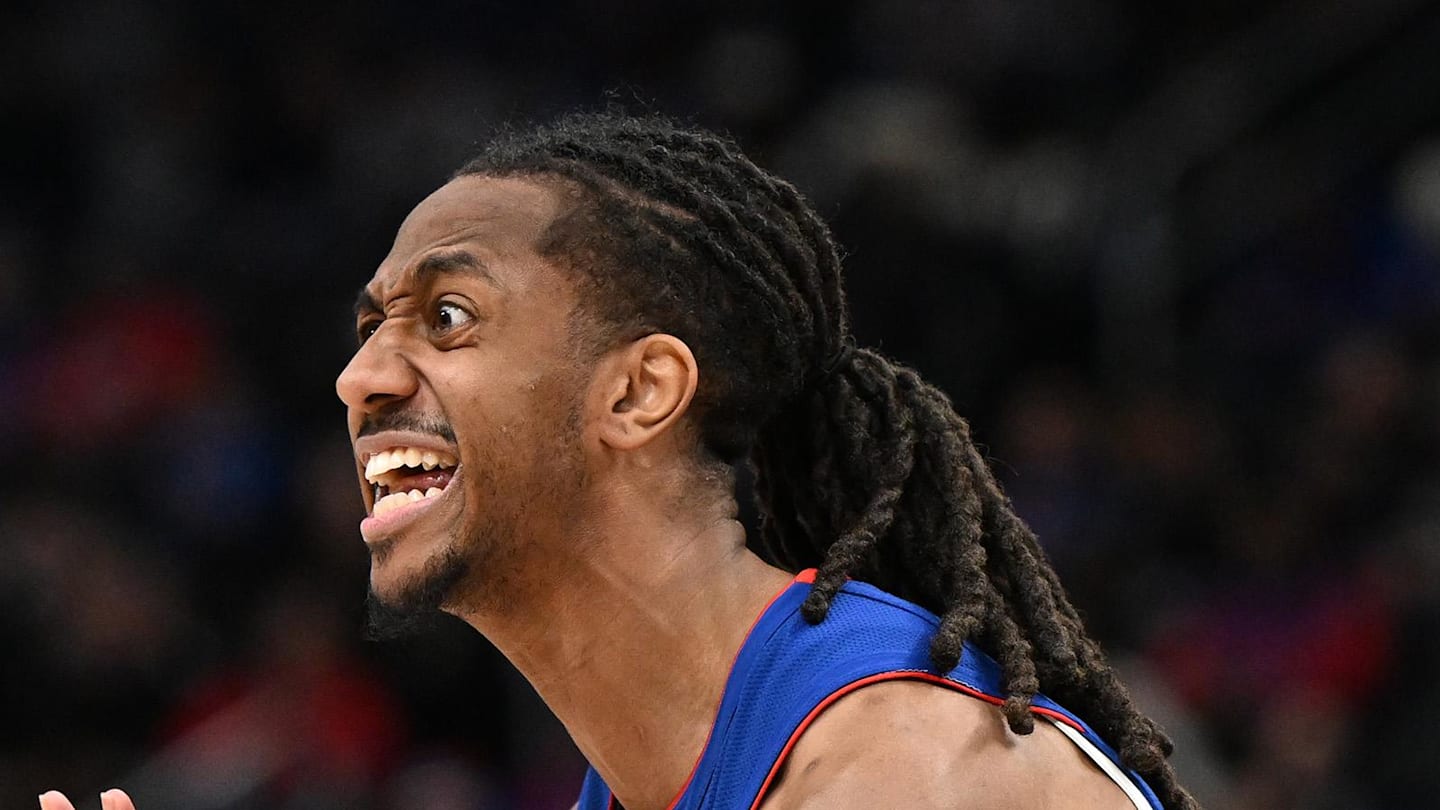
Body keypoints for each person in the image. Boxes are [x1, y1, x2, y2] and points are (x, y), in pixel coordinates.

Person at [41, 112, 1197, 810]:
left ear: (640, 392)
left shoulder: (903, 773)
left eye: (447, 318)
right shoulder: (658, 769)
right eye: (368, 330)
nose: (362, 380)